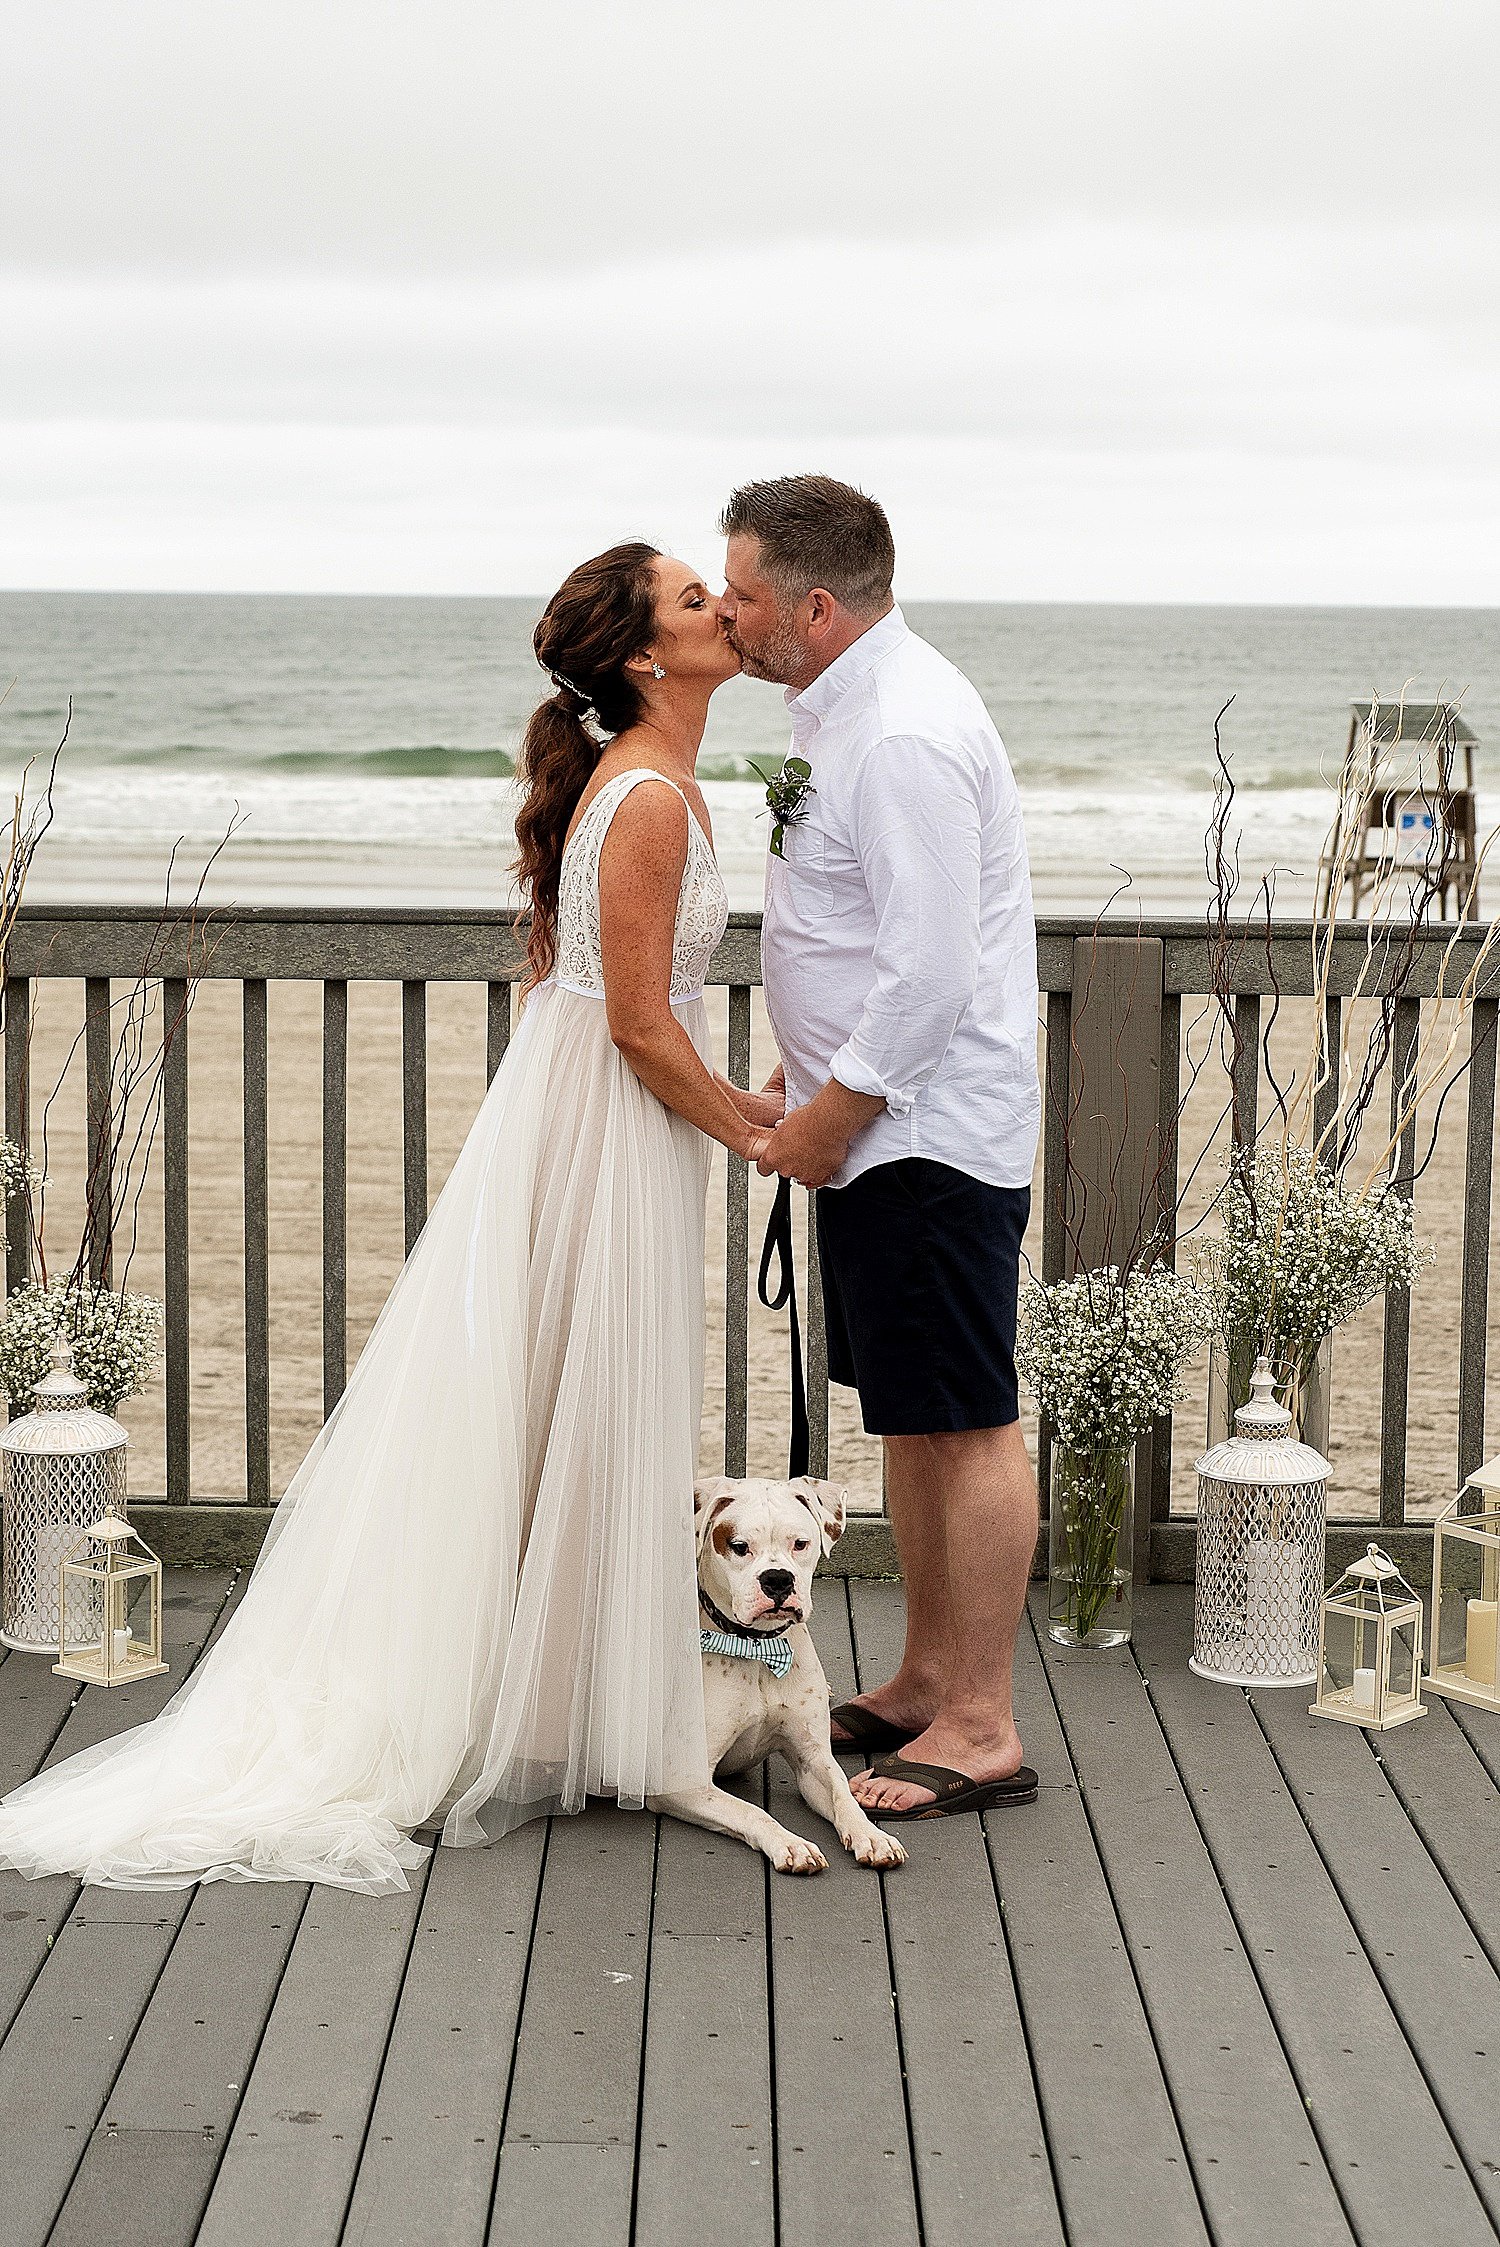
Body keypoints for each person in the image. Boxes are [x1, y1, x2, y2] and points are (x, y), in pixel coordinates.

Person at [0, 542, 779, 1892]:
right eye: (697, 599)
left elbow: (584, 995)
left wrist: (700, 1107)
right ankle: (571, 1715)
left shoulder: (644, 782)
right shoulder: (647, 799)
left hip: (600, 1124)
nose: (725, 606)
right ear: (648, 655)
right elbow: (643, 1027)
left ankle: (570, 1703)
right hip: (614, 1125)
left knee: (572, 1402)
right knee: (578, 1400)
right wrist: (757, 1127)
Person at [721, 475, 1042, 1820]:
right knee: (909, 1422)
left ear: (813, 602)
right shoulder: (843, 714)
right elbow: (861, 941)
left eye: (740, 594)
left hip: (925, 1140)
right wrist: (808, 1069)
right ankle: (921, 1680)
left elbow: (927, 978)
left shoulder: (900, 733)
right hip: (878, 1134)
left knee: (964, 1424)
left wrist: (829, 1118)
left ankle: (979, 1725)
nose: (728, 616)